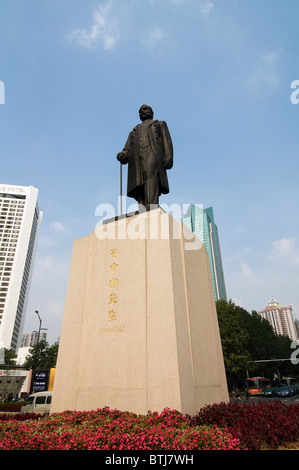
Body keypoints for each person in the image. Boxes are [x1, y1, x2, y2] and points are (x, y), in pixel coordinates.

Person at [117, 105, 173, 211]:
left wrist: (168, 157)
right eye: (140, 111)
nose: (142, 112)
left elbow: (167, 142)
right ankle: (142, 205)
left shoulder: (160, 124)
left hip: (153, 153)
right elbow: (128, 147)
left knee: (150, 174)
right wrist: (123, 154)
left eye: (145, 110)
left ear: (152, 113)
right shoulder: (135, 129)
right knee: (139, 180)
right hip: (137, 158)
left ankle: (151, 204)